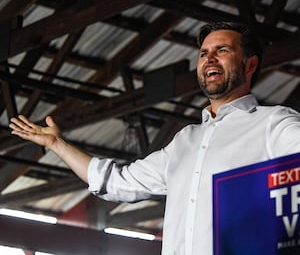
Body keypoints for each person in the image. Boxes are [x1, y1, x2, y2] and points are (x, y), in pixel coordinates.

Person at [9, 21, 300, 255]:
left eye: (222, 50)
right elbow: (117, 182)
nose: (208, 58)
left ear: (250, 65)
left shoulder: (272, 124)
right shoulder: (185, 141)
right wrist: (57, 145)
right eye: (203, 54)